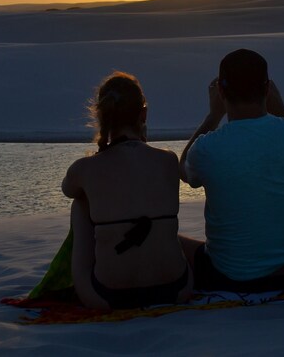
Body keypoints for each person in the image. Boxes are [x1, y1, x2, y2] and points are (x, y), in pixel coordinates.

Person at [179, 49, 284, 291]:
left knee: (167, 237)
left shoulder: (207, 148)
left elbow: (185, 171)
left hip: (227, 276)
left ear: (221, 92)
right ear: (267, 89)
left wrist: (212, 116)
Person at [62, 71, 193, 309]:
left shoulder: (84, 168)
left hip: (106, 297)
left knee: (80, 202)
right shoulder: (167, 160)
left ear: (101, 116)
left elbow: (68, 189)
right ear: (143, 114)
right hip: (177, 289)